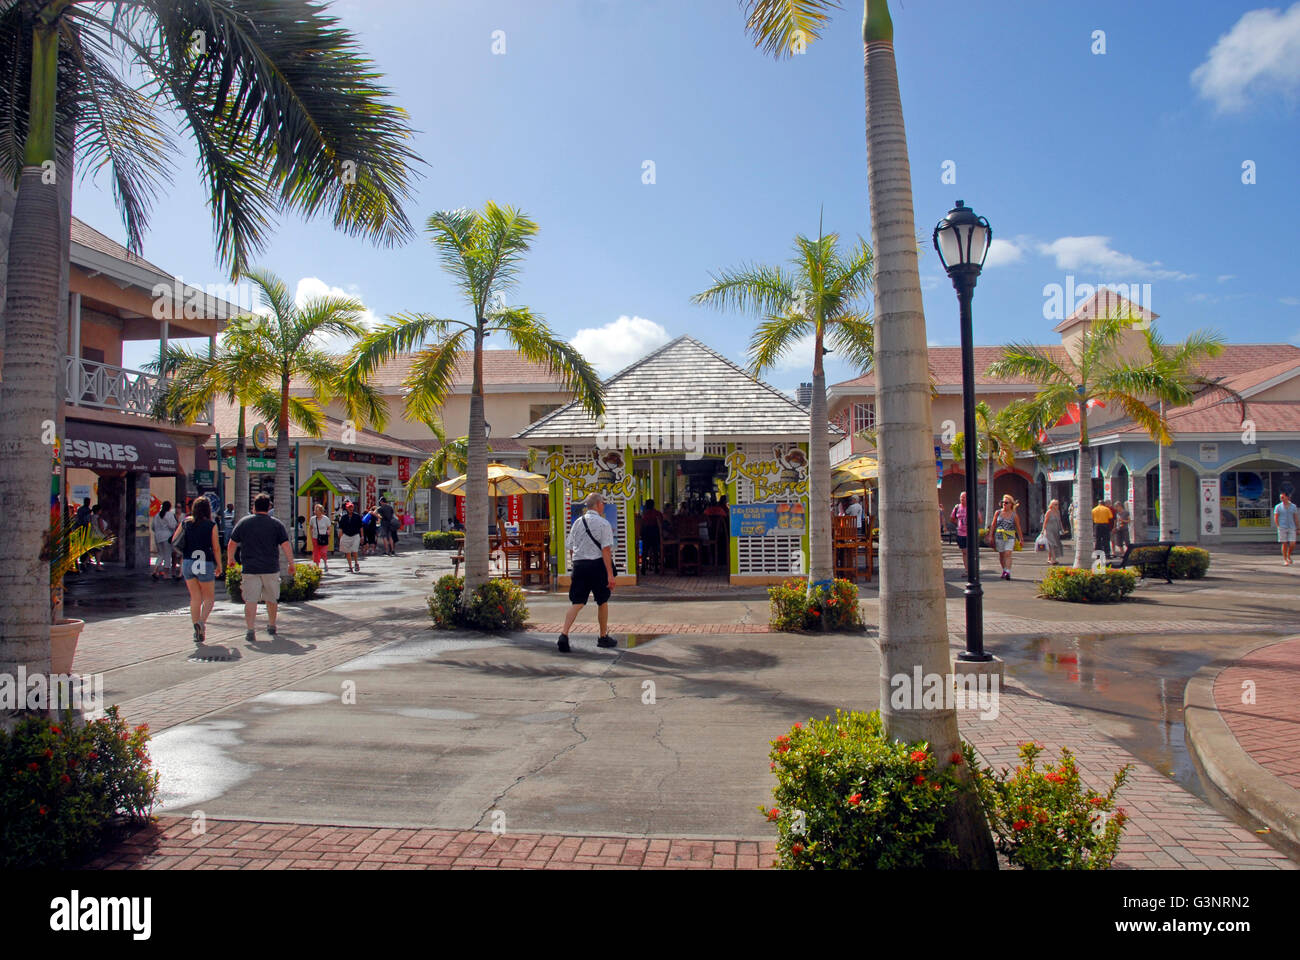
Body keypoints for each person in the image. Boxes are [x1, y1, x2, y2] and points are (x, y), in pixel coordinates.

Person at [227, 494, 295, 643]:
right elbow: (285, 545)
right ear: (269, 507)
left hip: (250, 568)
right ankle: (271, 625)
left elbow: (232, 543)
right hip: (270, 568)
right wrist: (291, 563)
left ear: (254, 507)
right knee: (271, 599)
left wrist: (230, 559)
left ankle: (250, 630)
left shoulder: (244, 523)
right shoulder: (276, 524)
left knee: (250, 600)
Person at [557, 492, 618, 653]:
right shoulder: (603, 524)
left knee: (577, 602)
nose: (603, 505)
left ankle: (564, 634)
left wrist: (575, 564)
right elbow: (606, 551)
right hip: (597, 566)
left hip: (579, 565)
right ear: (597, 505)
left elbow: (570, 547)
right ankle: (603, 636)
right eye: (602, 503)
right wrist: (610, 575)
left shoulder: (577, 522)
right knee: (602, 601)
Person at [173, 497, 222, 644]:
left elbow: (174, 540)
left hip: (188, 562)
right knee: (209, 598)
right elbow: (216, 547)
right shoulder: (211, 525)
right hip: (204, 562)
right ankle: (202, 622)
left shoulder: (186, 522)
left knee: (195, 598)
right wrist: (219, 565)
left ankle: (196, 630)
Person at [988, 495, 1024, 580]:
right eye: (1003, 502)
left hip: (1010, 536)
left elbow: (1018, 527)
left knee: (1008, 554)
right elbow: (993, 525)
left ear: (1011, 504)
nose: (1004, 504)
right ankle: (1004, 570)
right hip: (999, 536)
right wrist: (990, 535)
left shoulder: (1014, 515)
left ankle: (1008, 571)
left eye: (1006, 502)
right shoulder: (998, 512)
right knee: (1001, 554)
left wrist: (1021, 539)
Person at [950, 491, 981, 576]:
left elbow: (980, 520)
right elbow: (952, 519)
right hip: (960, 533)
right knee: (964, 552)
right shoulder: (957, 508)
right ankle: (967, 570)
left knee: (971, 551)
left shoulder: (972, 508)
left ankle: (973, 569)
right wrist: (959, 524)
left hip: (970, 534)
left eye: (964, 497)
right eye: (961, 497)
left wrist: (971, 524)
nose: (962, 499)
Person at [151, 501, 178, 582]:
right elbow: (173, 525)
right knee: (167, 555)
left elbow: (153, 527)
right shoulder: (169, 515)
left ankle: (155, 570)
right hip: (167, 537)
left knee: (160, 555)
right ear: (169, 507)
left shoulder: (156, 515)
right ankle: (166, 574)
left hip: (158, 537)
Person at [1272, 490, 1299, 566]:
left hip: (1291, 527)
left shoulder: (1293, 506)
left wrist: (1298, 528)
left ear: (1287, 497)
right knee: (1284, 543)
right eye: (1281, 497)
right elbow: (1276, 517)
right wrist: (1278, 526)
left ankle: (1288, 555)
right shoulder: (1278, 507)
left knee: (1292, 543)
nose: (1282, 499)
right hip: (1282, 527)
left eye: (1283, 497)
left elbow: (1295, 517)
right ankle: (1285, 559)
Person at [337, 500, 365, 572]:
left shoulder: (357, 516)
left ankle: (356, 563)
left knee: (354, 550)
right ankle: (350, 567)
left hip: (355, 535)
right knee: (347, 551)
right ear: (346, 508)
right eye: (349, 507)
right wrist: (340, 537)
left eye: (352, 507)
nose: (350, 509)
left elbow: (361, 527)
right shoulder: (344, 517)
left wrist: (362, 536)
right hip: (346, 535)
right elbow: (341, 528)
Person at [309, 503, 332, 573]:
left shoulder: (326, 519)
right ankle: (317, 565)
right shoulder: (312, 519)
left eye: (318, 510)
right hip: (315, 537)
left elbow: (329, 527)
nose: (316, 512)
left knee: (323, 552)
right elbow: (311, 528)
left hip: (324, 537)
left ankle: (325, 563)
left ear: (321, 511)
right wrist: (311, 535)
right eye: (315, 510)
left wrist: (328, 532)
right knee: (316, 552)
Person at [1042, 498, 1065, 565]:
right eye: (1055, 504)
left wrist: (1062, 529)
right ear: (1051, 505)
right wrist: (1043, 530)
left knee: (1054, 544)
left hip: (1056, 530)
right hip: (1049, 530)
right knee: (1052, 544)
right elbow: (1045, 522)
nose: (1057, 506)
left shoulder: (1058, 512)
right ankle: (1054, 560)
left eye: (1057, 504)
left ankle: (1049, 558)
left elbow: (1060, 521)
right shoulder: (1049, 512)